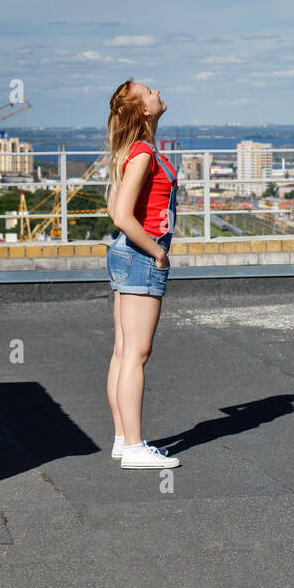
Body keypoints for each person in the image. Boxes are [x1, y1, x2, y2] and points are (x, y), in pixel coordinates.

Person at [104, 79, 181, 470]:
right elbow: (121, 216)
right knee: (137, 353)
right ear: (144, 111)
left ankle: (124, 440)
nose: (157, 90)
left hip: (126, 254)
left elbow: (114, 208)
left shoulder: (134, 150)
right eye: (149, 90)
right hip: (140, 255)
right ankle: (134, 447)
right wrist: (157, 253)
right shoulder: (143, 154)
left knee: (123, 351)